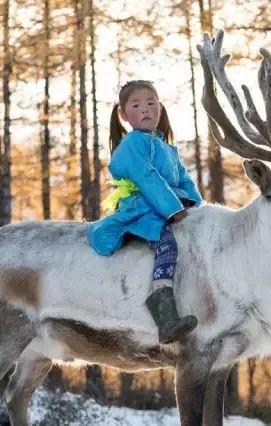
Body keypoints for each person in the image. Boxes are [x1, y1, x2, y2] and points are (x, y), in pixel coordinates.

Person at [87, 80, 202, 344]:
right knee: (167, 245)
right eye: (137, 105)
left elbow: (184, 180)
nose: (146, 109)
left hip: (163, 205)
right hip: (144, 209)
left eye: (151, 103)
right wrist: (173, 209)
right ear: (124, 115)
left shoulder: (165, 146)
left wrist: (197, 207)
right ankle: (165, 314)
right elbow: (147, 177)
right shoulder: (131, 145)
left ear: (160, 108)